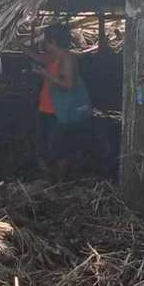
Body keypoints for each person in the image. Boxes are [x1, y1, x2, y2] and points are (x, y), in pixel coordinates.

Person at [26, 23, 94, 181]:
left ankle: (59, 183)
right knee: (46, 146)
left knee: (59, 149)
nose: (43, 44)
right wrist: (17, 44)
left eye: (46, 41)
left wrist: (45, 74)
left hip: (59, 110)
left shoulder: (67, 59)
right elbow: (36, 57)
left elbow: (69, 85)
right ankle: (51, 179)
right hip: (47, 108)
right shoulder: (54, 56)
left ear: (53, 42)